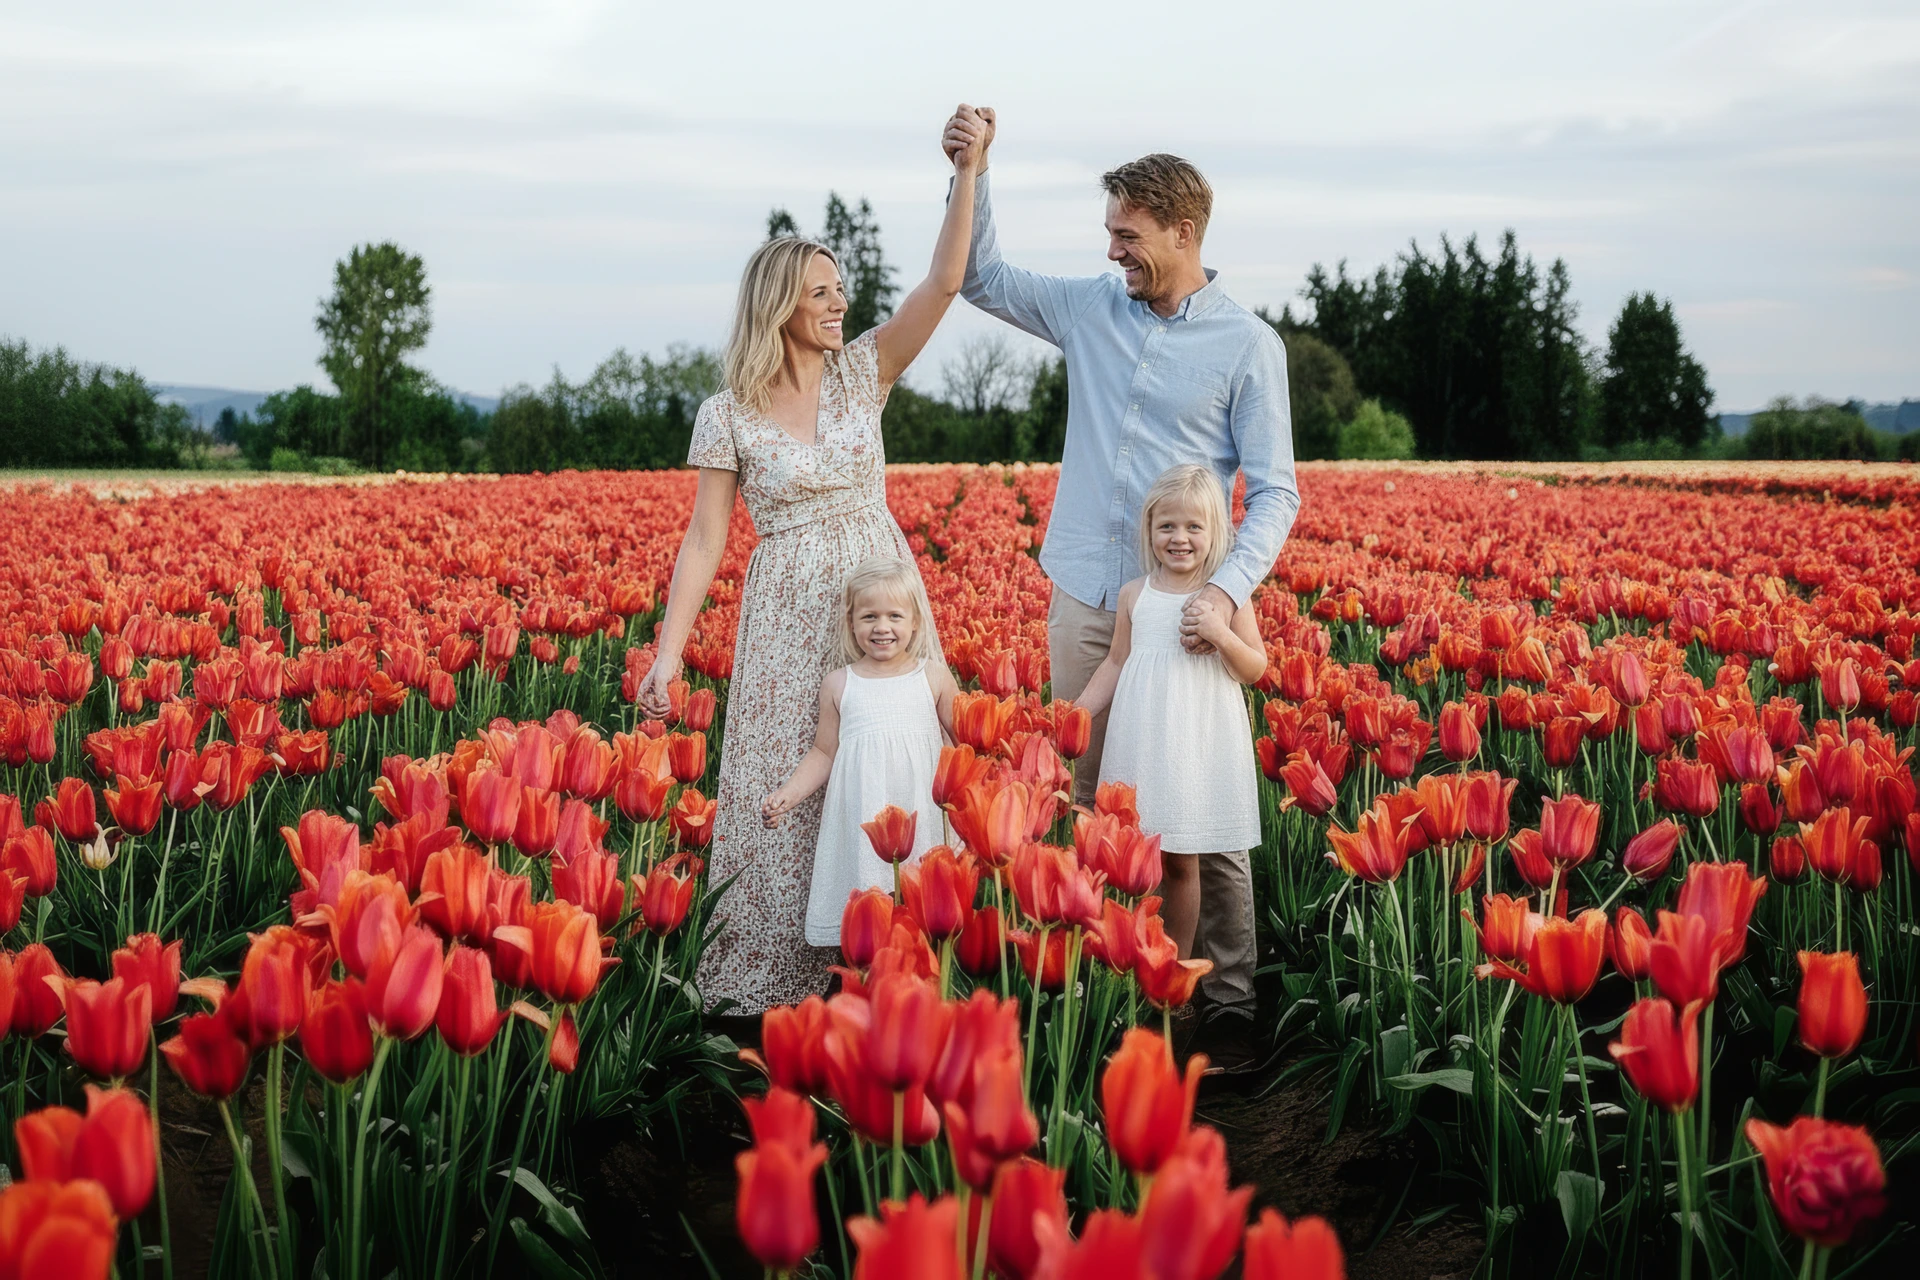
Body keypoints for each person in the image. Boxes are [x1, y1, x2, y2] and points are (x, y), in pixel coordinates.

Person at [944, 108, 1298, 1069]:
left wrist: (1224, 593)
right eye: (1110, 234)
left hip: (1193, 607)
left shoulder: (1246, 346)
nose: (1113, 253)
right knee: (1094, 793)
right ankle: (1118, 983)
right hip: (1090, 595)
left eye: (1128, 236)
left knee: (1203, 803)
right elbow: (982, 278)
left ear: (1184, 232)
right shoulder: (1089, 309)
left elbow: (1276, 492)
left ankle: (1225, 1000)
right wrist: (973, 171)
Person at [639, 107, 991, 1016]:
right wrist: (669, 655)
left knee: (892, 766)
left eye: (841, 289)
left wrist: (969, 170)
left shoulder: (861, 373)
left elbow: (944, 282)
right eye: (823, 292)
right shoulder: (728, 412)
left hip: (878, 592)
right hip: (788, 608)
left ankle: (896, 971)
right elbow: (706, 539)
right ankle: (774, 998)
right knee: (783, 779)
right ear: (780, 306)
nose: (842, 303)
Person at [1073, 465, 1264, 972]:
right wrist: (1075, 715)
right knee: (1135, 851)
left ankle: (1171, 975)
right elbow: (1116, 662)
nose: (1179, 538)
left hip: (1196, 742)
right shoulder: (1135, 594)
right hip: (1143, 737)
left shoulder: (1226, 595)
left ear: (1216, 531)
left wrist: (1220, 633)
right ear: (1150, 529)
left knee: (1182, 858)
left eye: (1194, 527)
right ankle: (1131, 963)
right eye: (1167, 526)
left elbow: (1254, 669)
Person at [760, 557, 958, 948]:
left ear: (915, 621)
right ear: (851, 622)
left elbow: (963, 741)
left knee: (925, 910)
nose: (882, 628)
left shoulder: (932, 675)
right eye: (869, 617)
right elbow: (823, 752)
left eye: (895, 616)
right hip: (865, 814)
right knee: (872, 912)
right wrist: (790, 794)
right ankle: (869, 971)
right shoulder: (840, 684)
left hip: (921, 807)